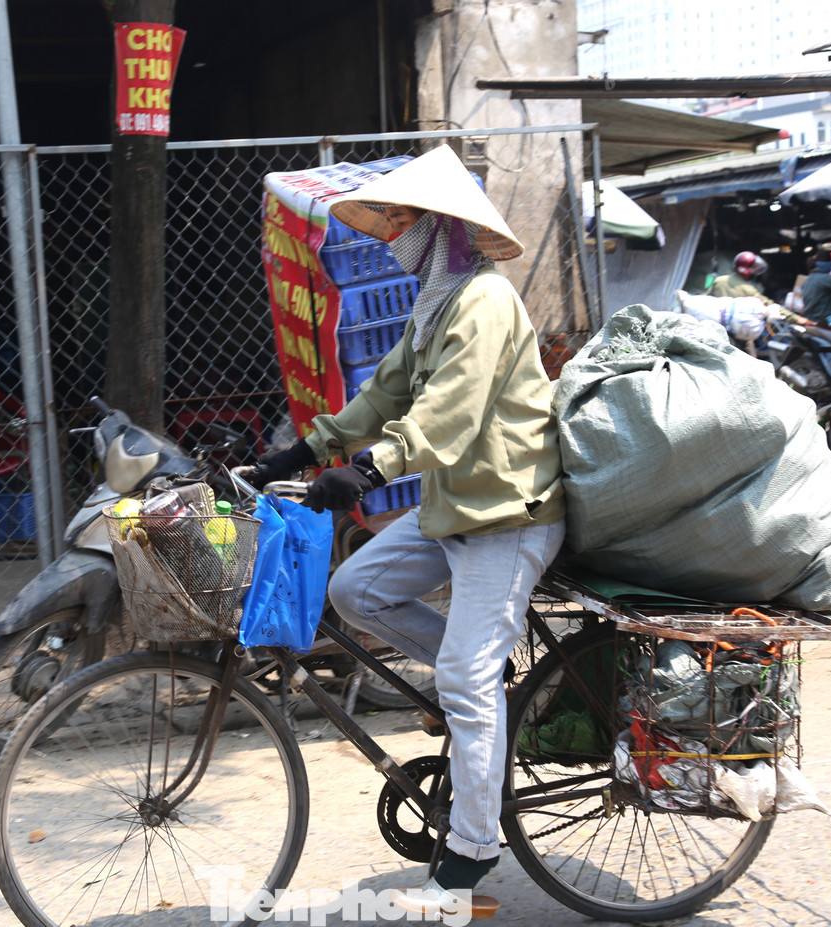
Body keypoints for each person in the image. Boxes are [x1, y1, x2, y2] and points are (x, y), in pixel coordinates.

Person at [250, 145, 567, 918]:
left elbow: (448, 415)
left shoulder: (485, 301)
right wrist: (301, 451)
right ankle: (487, 685)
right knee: (356, 589)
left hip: (509, 517)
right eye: (387, 217)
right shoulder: (437, 302)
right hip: (455, 510)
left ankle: (471, 850)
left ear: (438, 226)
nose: (388, 231)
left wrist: (366, 473)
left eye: (398, 218)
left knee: (460, 676)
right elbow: (383, 394)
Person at [707, 250, 771, 301]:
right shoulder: (749, 290)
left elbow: (707, 298)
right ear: (745, 270)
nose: (754, 271)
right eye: (753, 268)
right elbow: (766, 303)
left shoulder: (719, 280)